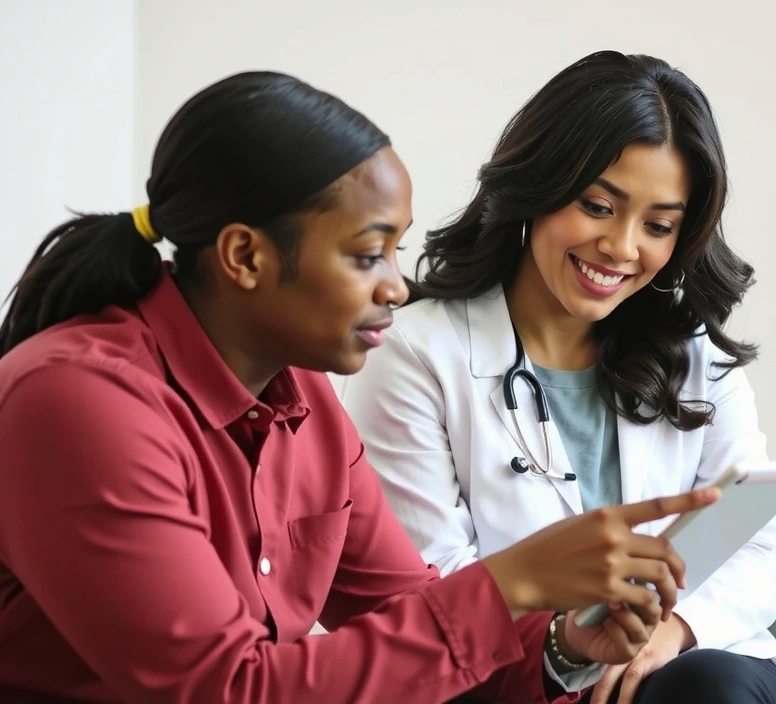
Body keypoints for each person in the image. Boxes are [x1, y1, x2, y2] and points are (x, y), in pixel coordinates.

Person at [0, 71, 724, 704]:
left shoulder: (307, 403)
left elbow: (417, 620)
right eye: (367, 253)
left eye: (397, 250)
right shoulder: (78, 402)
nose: (396, 285)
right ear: (244, 255)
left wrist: (565, 643)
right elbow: (225, 689)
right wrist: (512, 583)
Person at [342, 51, 776, 704]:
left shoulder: (692, 353)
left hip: (695, 676)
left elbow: (757, 552)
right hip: (518, 684)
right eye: (598, 206)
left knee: (709, 685)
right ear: (539, 185)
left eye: (657, 226)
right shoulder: (418, 353)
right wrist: (569, 641)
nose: (622, 248)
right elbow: (429, 592)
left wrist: (674, 631)